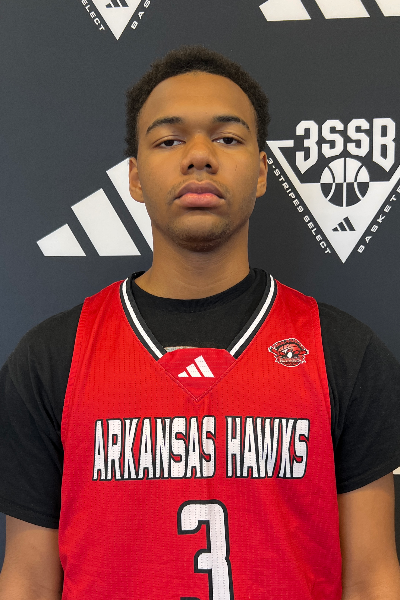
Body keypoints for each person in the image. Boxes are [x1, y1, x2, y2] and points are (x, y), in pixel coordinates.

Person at [0, 45, 400, 600]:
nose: (199, 156)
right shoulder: (52, 358)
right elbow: (27, 578)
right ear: (135, 178)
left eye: (228, 138)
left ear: (262, 173)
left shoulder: (344, 352)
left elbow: (372, 577)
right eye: (169, 140)